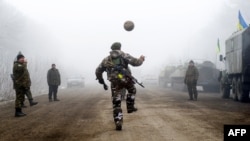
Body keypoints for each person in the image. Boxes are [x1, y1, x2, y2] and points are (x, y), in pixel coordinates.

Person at [95, 42, 145, 130]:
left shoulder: (106, 59)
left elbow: (98, 71)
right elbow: (136, 63)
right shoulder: (124, 55)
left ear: (112, 49)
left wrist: (101, 80)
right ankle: (130, 107)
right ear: (120, 48)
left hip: (115, 83)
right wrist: (141, 59)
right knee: (132, 90)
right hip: (125, 80)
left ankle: (118, 122)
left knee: (116, 103)